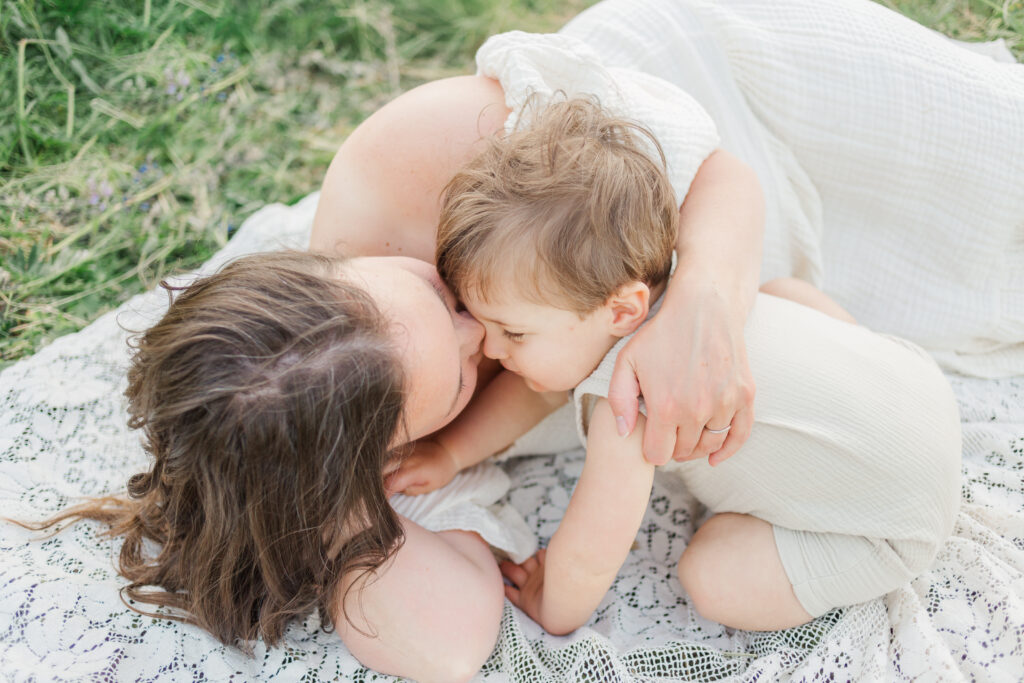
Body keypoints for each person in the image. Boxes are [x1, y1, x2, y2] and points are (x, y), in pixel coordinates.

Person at [389, 98, 962, 633]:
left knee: (712, 575)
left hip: (890, 521)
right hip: (917, 389)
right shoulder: (673, 312)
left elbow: (592, 550)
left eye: (512, 331)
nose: (490, 351)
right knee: (783, 291)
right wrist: (452, 451)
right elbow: (542, 392)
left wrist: (551, 604)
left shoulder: (632, 398)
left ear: (622, 309)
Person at [17, 250, 514, 683]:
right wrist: (338, 509)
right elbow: (450, 651)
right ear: (388, 457)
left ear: (325, 260)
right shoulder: (389, 475)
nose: (480, 331)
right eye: (459, 379)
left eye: (433, 290)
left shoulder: (394, 204)